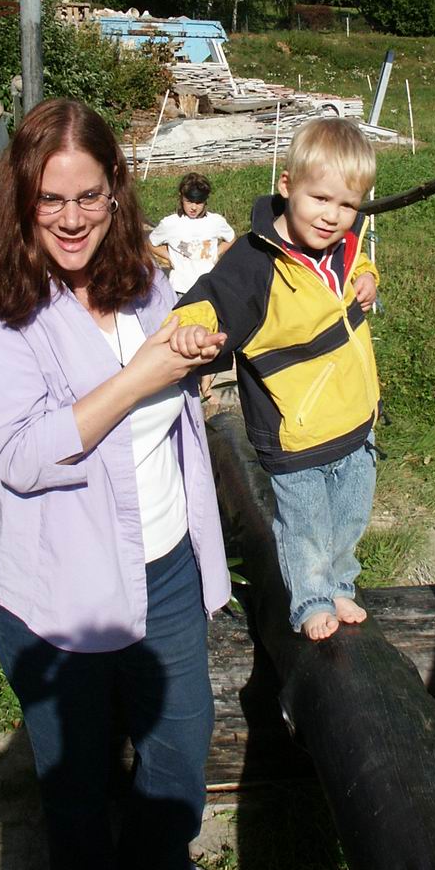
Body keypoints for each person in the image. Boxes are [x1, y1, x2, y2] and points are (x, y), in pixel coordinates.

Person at [0, 99, 231, 870]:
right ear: (22, 201)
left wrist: (189, 341)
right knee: (73, 789)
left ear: (117, 193)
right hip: (57, 590)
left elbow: (176, 391)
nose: (72, 219)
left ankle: (158, 857)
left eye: (90, 197)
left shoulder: (143, 283)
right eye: (51, 200)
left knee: (183, 740)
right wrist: (141, 372)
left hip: (167, 562)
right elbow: (26, 456)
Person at [169, 118, 381, 643]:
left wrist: (369, 277)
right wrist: (191, 331)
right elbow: (207, 299)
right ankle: (309, 600)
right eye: (321, 199)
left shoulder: (342, 245)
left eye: (348, 205)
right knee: (305, 523)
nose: (333, 217)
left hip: (357, 416)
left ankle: (340, 583)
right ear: (286, 186)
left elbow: (359, 261)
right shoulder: (258, 261)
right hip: (296, 430)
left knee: (351, 516)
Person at [148, 172, 235, 299]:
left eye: (199, 202)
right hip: (181, 289)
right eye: (189, 201)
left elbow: (231, 238)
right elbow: (151, 243)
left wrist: (216, 252)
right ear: (181, 197)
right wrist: (170, 257)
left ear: (206, 201)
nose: (193, 207)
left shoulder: (215, 221)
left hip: (208, 286)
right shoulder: (170, 223)